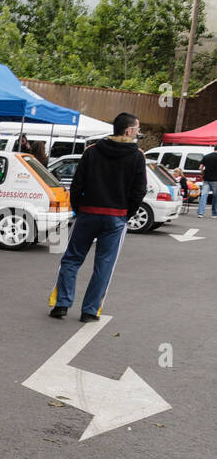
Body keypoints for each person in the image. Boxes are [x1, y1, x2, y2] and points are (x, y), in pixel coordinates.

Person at [49, 112, 147, 323]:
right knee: (104, 265)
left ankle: (62, 304)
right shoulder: (137, 156)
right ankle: (90, 311)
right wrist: (126, 214)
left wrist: (79, 208)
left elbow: (77, 184)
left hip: (88, 213)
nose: (139, 132)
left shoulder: (92, 151)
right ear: (128, 130)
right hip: (116, 217)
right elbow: (139, 191)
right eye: (137, 129)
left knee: (72, 258)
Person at [199, 144, 217, 219]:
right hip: (216, 180)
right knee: (215, 197)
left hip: (206, 179)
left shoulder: (206, 156)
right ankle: (214, 213)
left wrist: (203, 173)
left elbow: (200, 167)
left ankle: (200, 213)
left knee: (203, 195)